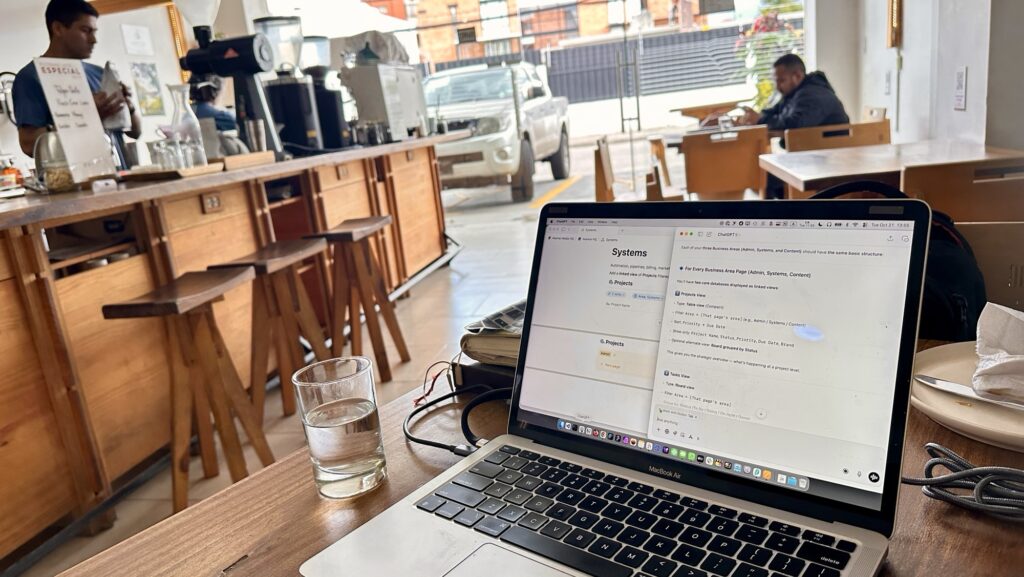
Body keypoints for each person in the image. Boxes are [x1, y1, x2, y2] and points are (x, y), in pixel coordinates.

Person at [13, 0, 142, 168]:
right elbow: (30, 145)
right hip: (71, 186)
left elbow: (136, 132)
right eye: (85, 30)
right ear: (58, 28)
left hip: (117, 177)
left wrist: (128, 107)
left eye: (94, 31)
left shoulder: (100, 74)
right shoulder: (31, 78)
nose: (94, 40)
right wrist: (85, 117)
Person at [736, 53, 849, 198]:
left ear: (797, 76)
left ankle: (789, 213)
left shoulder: (812, 94)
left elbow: (794, 125)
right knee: (760, 173)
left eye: (781, 80)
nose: (777, 86)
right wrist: (758, 117)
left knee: (763, 176)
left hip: (829, 160)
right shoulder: (794, 93)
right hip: (813, 154)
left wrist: (759, 120)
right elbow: (773, 112)